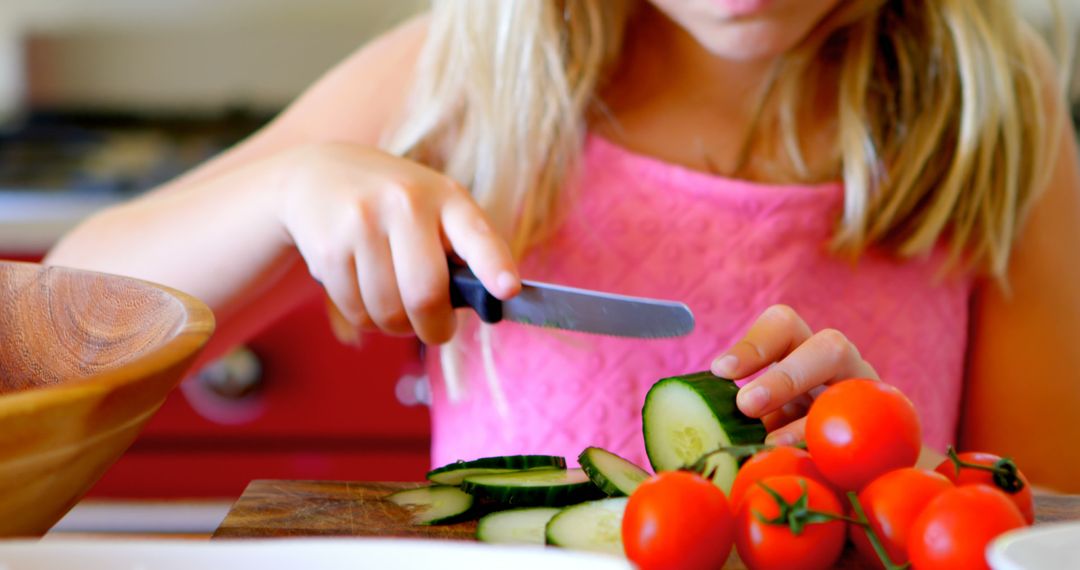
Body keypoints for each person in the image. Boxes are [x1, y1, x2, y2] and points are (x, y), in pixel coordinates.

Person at [45, 0, 1080, 492]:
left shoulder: (994, 107)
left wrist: (888, 471)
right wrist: (284, 191)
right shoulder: (465, 75)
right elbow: (69, 310)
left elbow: (1045, 507)